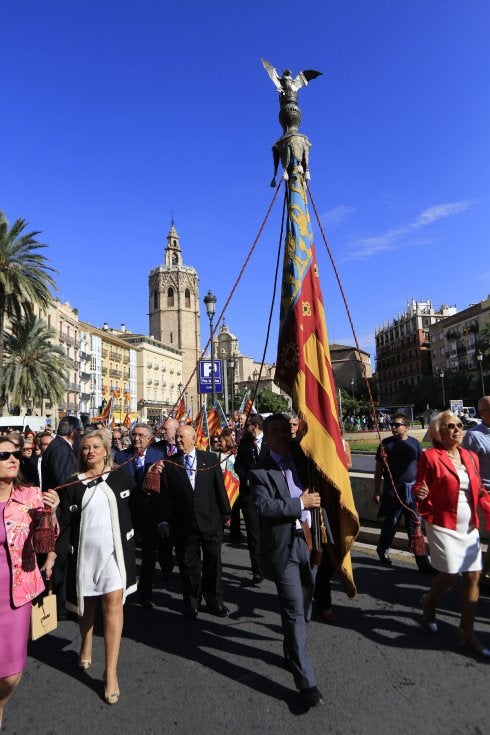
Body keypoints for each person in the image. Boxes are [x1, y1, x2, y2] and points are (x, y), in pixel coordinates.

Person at [249, 414, 324, 709]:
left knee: (305, 608)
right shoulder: (260, 471)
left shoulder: (305, 461)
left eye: (286, 430)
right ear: (267, 437)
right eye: (276, 432)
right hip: (284, 547)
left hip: (311, 543)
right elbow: (263, 507)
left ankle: (290, 648)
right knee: (294, 611)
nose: (283, 435)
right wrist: (299, 504)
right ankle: (307, 684)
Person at [57, 430, 137, 704]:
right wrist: (53, 556)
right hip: (84, 557)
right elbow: (64, 525)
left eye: (95, 447)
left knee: (113, 604)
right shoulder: (71, 484)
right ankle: (86, 642)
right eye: (85, 448)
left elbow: (136, 505)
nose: (90, 451)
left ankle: (110, 672)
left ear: (106, 451)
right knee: (87, 606)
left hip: (114, 556)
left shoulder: (120, 476)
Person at [414, 411, 490, 656]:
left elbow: (478, 492)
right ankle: (429, 603)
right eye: (450, 426)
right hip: (442, 524)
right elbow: (419, 485)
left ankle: (466, 631)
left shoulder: (470, 456)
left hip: (469, 526)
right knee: (449, 576)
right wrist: (421, 492)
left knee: (473, 576)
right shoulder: (430, 457)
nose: (457, 429)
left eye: (459, 425)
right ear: (439, 432)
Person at [0, 437, 59, 728]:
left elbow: (48, 536)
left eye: (15, 454)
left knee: (10, 674)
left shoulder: (30, 495)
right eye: (4, 454)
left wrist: (52, 512)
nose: (13, 458)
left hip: (17, 593)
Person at [158, 424, 231, 620]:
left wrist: (225, 513)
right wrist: (163, 520)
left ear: (193, 438)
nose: (179, 440)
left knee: (213, 564)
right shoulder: (170, 464)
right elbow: (166, 496)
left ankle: (214, 601)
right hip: (184, 524)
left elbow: (219, 489)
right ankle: (192, 602)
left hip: (211, 522)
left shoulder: (209, 459)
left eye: (182, 437)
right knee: (189, 566)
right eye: (177, 437)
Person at [372, 414, 433, 573]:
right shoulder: (385, 444)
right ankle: (382, 549)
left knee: (415, 526)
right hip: (393, 492)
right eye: (391, 424)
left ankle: (422, 561)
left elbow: (421, 468)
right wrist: (376, 490)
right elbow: (378, 470)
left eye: (397, 424)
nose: (393, 427)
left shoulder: (415, 444)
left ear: (406, 427)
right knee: (391, 523)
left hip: (413, 492)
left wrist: (423, 487)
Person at [114, 423, 166, 608]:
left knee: (149, 555)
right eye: (134, 435)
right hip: (128, 512)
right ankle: (123, 591)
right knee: (125, 554)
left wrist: (162, 518)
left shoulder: (158, 456)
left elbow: (164, 488)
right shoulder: (121, 456)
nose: (136, 439)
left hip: (150, 512)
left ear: (150, 438)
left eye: (141, 436)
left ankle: (146, 593)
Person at [235, 414, 267, 584]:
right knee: (253, 533)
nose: (244, 428)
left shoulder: (270, 442)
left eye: (247, 425)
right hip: (249, 495)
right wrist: (246, 477)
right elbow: (237, 465)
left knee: (269, 533)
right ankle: (258, 569)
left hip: (268, 495)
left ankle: (272, 563)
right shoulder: (245, 444)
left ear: (254, 426)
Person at [462, 395, 490, 585]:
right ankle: (481, 573)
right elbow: (465, 466)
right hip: (486, 493)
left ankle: (484, 572)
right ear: (482, 413)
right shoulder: (473, 436)